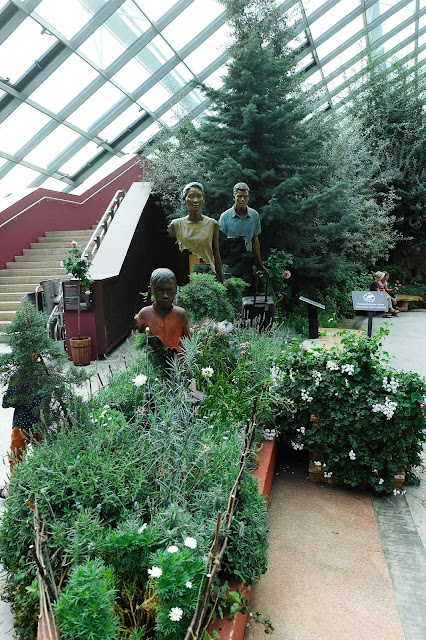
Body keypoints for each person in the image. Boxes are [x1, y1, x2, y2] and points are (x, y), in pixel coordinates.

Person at [168, 182, 223, 282]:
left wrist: (221, 282)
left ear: (203, 199)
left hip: (209, 278)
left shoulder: (212, 224)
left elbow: (216, 253)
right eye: (191, 196)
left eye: (199, 196)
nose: (195, 200)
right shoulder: (175, 225)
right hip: (184, 278)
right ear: (184, 200)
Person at [1, 383, 42, 498]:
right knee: (43, 454)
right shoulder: (43, 372)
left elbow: (6, 402)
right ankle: (42, 482)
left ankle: (14, 487)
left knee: (16, 458)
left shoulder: (18, 376)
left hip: (21, 425)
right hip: (40, 422)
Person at [134, 268, 190, 353]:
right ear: (151, 290)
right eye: (160, 290)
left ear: (175, 289)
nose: (165, 296)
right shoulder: (144, 314)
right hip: (155, 363)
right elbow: (141, 341)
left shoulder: (180, 315)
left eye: (170, 290)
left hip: (177, 363)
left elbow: (188, 342)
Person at [219, 182, 268, 275]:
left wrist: (260, 265)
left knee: (249, 288)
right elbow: (220, 244)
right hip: (229, 266)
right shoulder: (225, 217)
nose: (242, 199)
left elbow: (255, 241)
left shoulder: (254, 216)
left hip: (248, 264)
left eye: (245, 197)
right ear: (234, 197)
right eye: (239, 196)